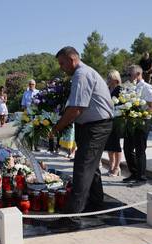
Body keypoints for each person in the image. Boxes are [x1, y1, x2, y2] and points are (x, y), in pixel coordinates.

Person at [51, 46, 113, 226]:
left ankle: (71, 217)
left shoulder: (81, 74)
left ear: (72, 59)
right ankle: (95, 204)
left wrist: (56, 128)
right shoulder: (82, 73)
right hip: (90, 126)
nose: (61, 67)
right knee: (91, 167)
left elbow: (77, 108)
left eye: (62, 63)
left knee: (82, 167)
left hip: (95, 127)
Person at [123, 65, 152, 185]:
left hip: (142, 122)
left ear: (138, 74)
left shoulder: (147, 88)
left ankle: (141, 177)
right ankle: (134, 173)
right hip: (131, 122)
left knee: (140, 150)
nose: (128, 76)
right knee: (127, 149)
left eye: (130, 74)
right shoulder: (130, 87)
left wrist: (139, 115)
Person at [104, 70, 123, 177]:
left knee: (116, 145)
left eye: (110, 78)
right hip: (108, 119)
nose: (108, 80)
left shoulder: (120, 90)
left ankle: (117, 167)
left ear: (116, 79)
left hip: (117, 119)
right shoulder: (107, 89)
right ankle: (111, 165)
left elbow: (123, 105)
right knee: (109, 144)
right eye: (108, 78)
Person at [21, 79, 40, 150]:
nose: (31, 86)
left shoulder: (38, 92)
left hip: (37, 114)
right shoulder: (25, 93)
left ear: (35, 85)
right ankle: (30, 146)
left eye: (32, 84)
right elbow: (23, 104)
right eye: (30, 84)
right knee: (29, 130)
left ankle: (36, 146)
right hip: (28, 113)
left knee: (37, 130)